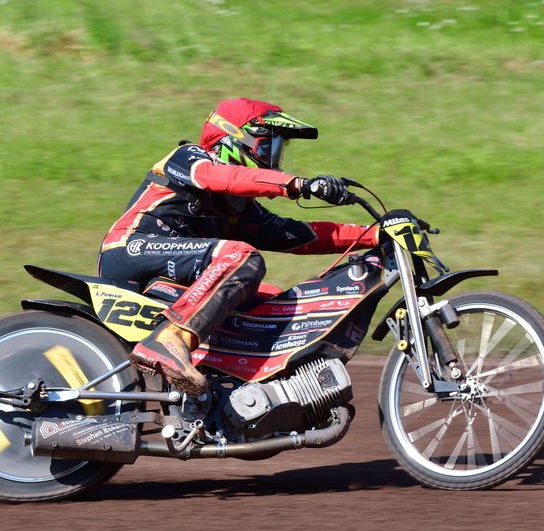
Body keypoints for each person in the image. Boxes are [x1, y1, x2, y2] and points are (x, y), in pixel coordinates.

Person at [98, 98, 380, 395]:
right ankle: (171, 339)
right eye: (269, 145)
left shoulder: (239, 208)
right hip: (130, 249)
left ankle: (248, 395)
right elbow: (223, 177)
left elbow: (297, 234)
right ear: (236, 137)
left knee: (281, 305)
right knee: (241, 256)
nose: (275, 158)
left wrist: (376, 234)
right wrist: (297, 184)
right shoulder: (190, 157)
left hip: (178, 273)